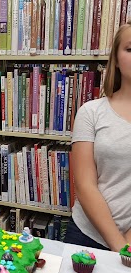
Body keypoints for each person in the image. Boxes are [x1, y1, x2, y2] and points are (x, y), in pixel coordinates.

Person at [64, 21, 131, 251]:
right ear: (116, 58)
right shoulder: (90, 112)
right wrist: (120, 247)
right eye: (130, 49)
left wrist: (128, 244)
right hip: (86, 236)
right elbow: (84, 185)